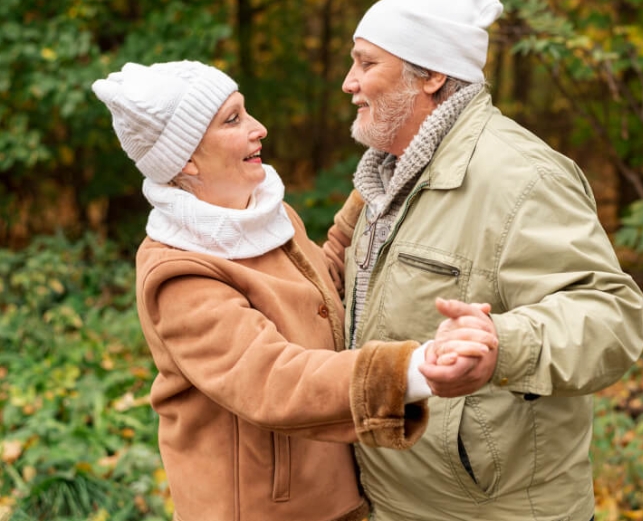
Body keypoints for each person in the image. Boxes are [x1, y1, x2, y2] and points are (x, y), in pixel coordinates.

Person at [92, 60, 497, 521]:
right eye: (233, 120)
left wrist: (376, 193)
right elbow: (271, 379)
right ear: (185, 156)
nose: (259, 128)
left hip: (330, 490)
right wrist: (413, 369)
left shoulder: (263, 213)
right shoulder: (179, 273)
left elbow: (314, 291)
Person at [341, 0, 643, 521]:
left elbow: (611, 315)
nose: (349, 82)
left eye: (366, 63)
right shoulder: (386, 177)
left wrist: (501, 347)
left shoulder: (522, 177)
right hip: (393, 502)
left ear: (432, 75)